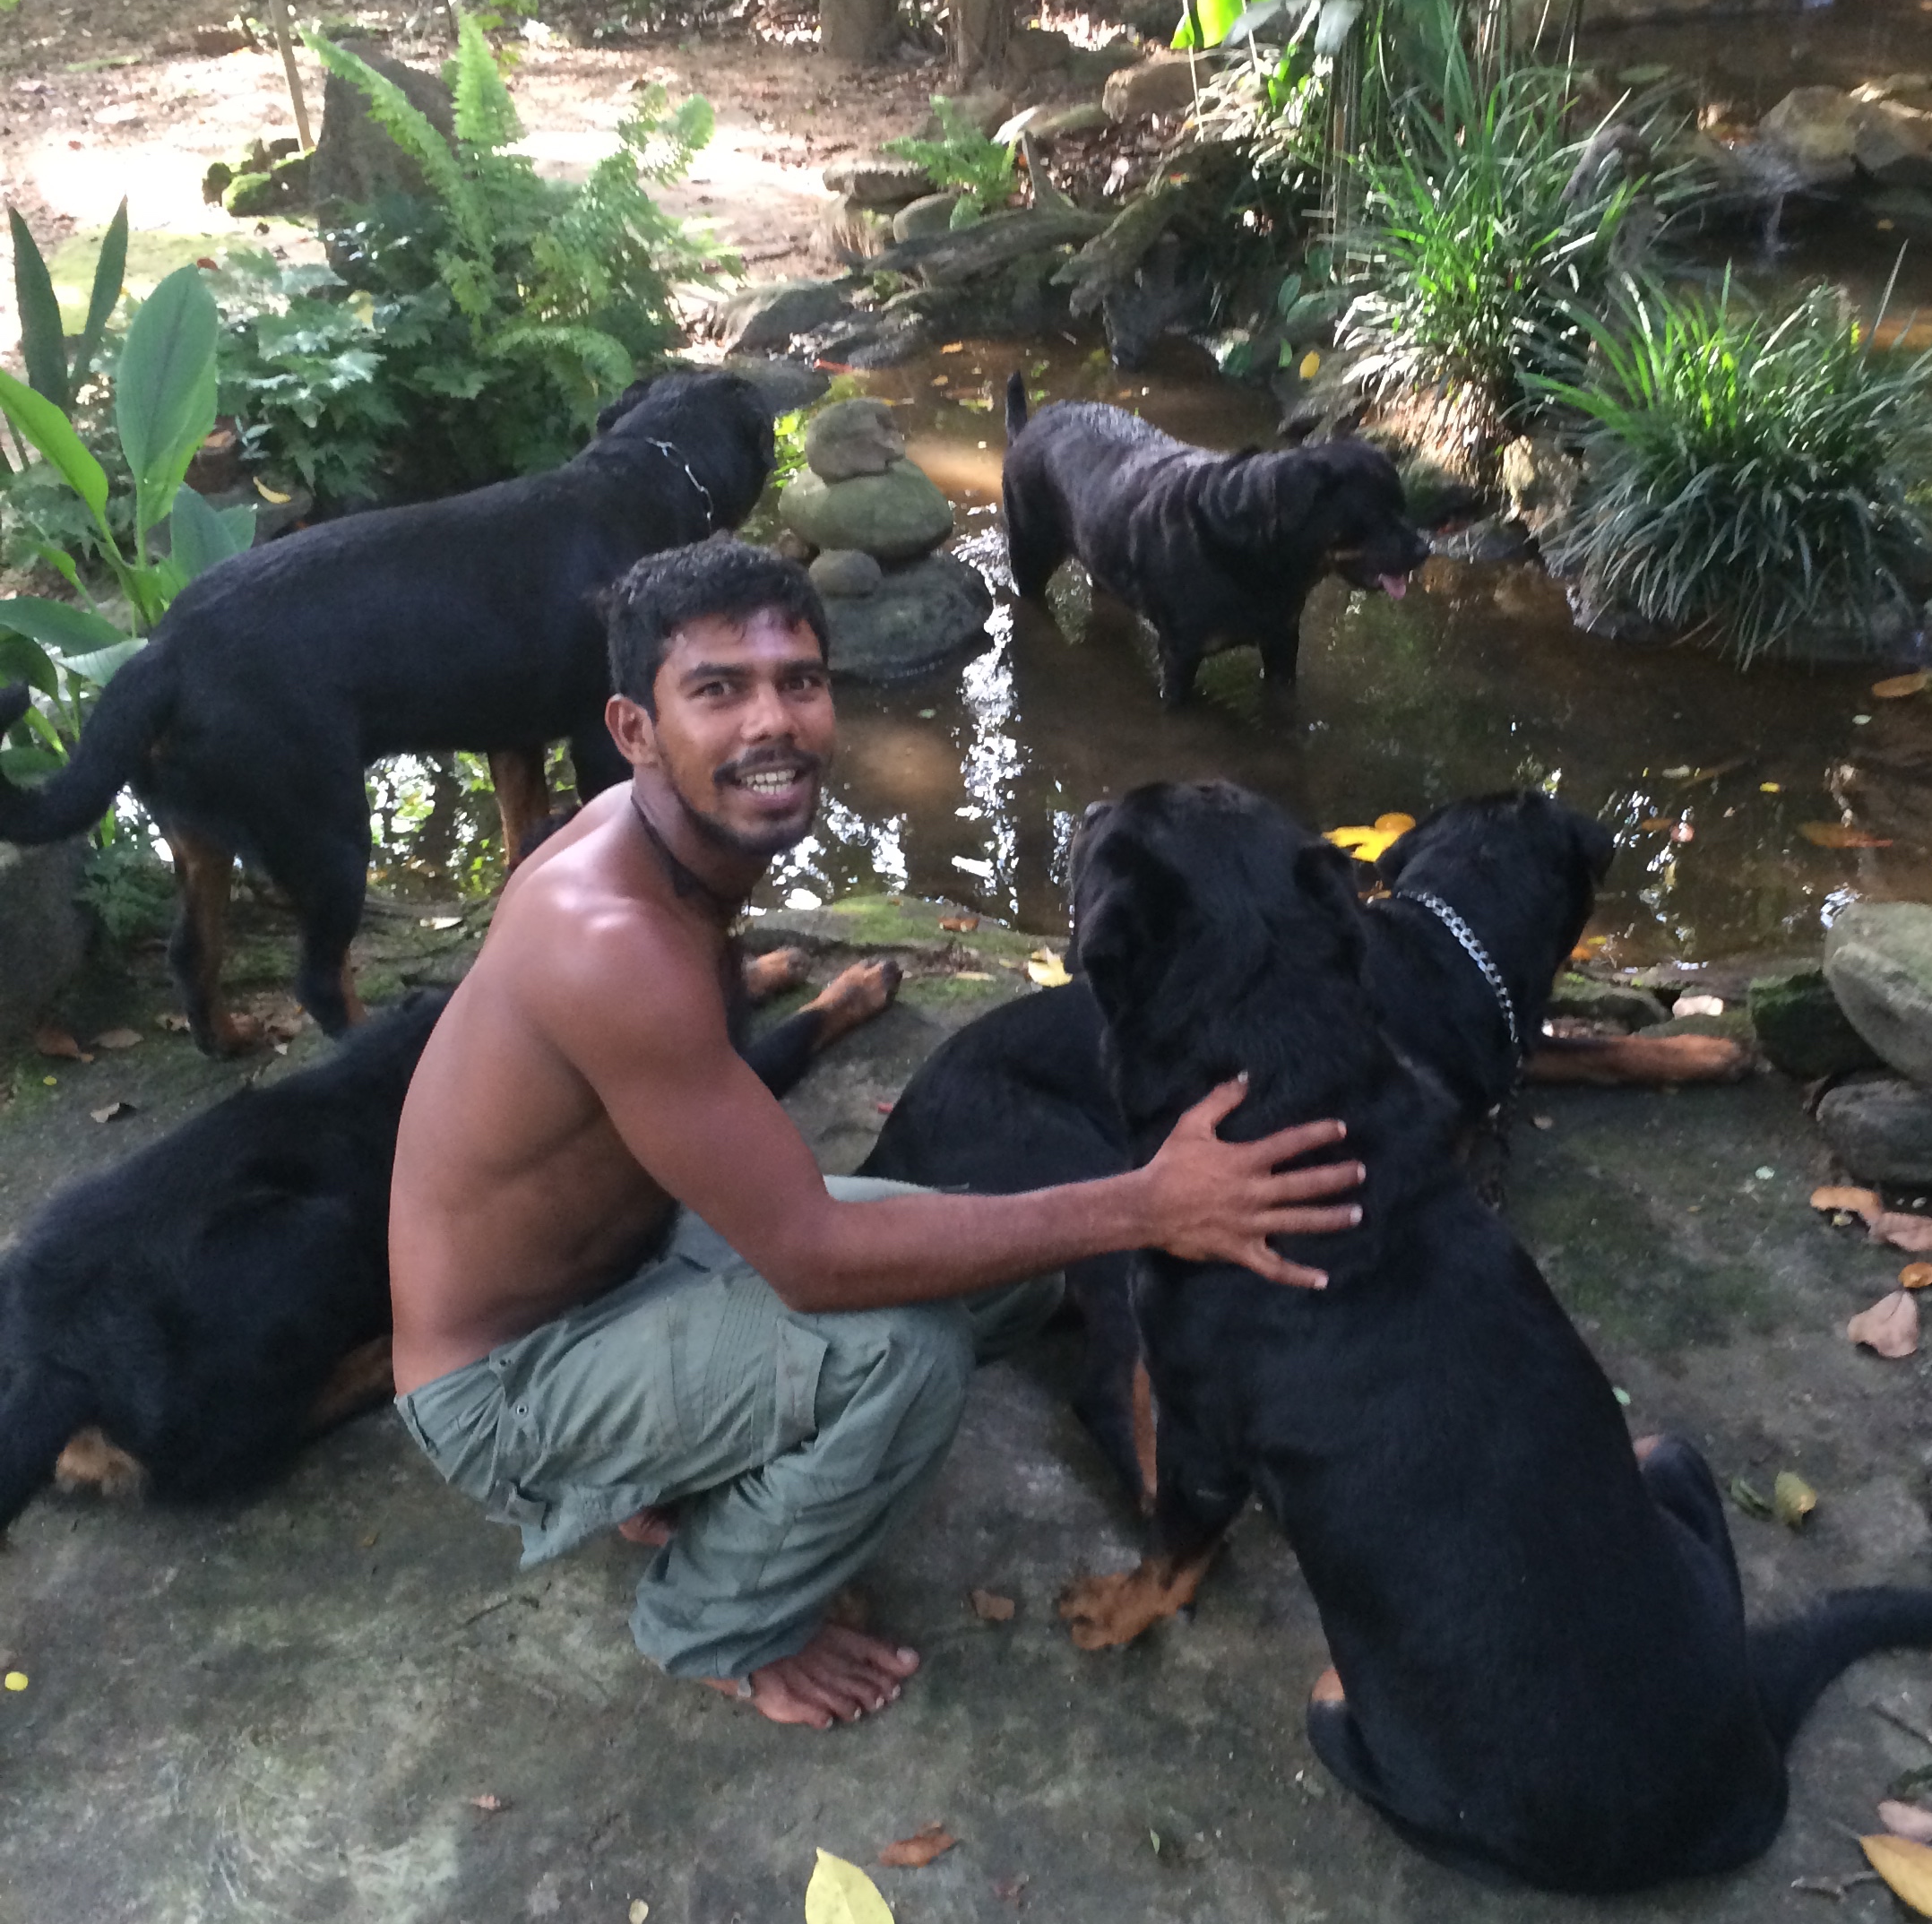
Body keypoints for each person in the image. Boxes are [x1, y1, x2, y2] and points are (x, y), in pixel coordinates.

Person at [388, 538, 1364, 1731]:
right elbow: (812, 1261)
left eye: (798, 680)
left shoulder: (661, 839)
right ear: (634, 729)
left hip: (635, 1271)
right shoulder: (609, 941)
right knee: (904, 1353)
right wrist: (1151, 1202)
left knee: (1006, 1276)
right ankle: (717, 1624)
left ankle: (672, 1455)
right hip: (507, 1389)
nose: (774, 719)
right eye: (718, 689)